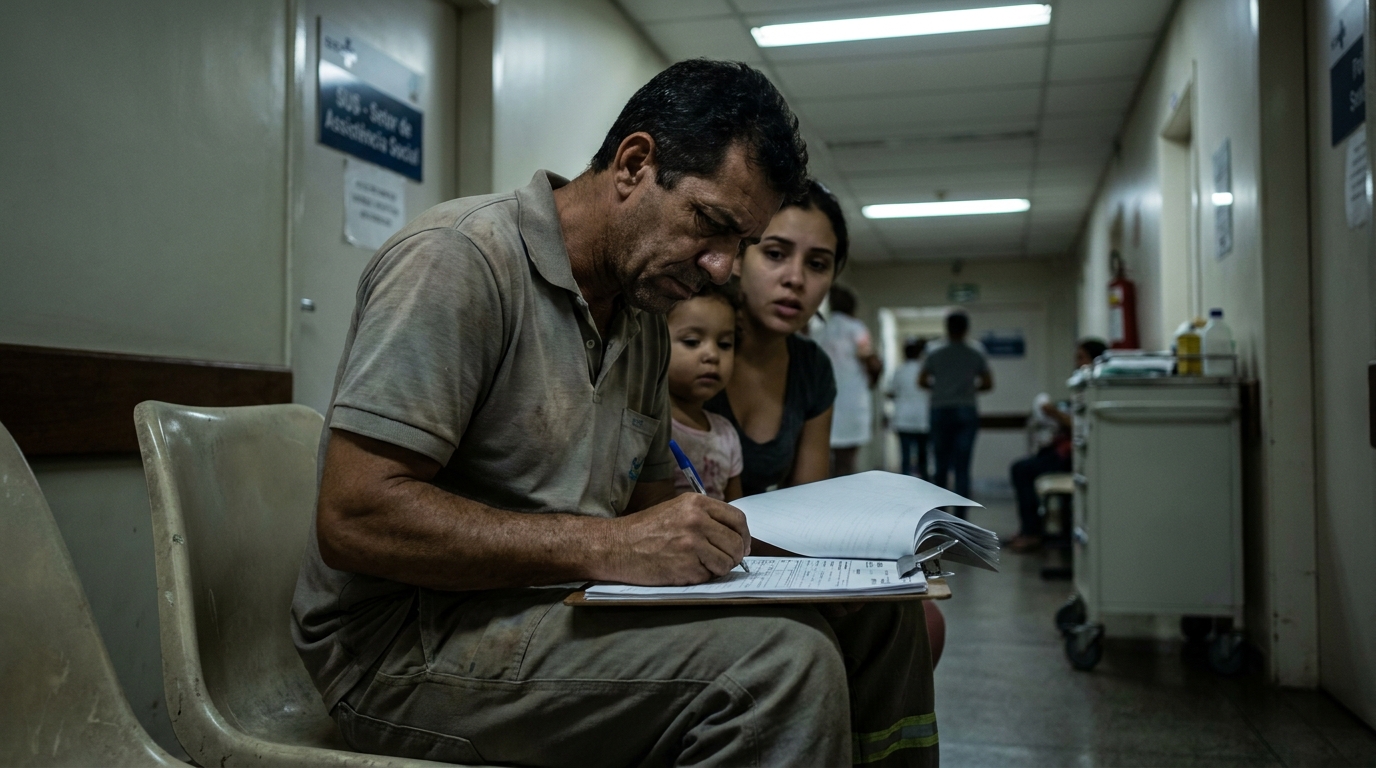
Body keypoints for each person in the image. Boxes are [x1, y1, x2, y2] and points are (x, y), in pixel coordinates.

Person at [292, 59, 938, 767]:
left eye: (741, 247)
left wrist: (816, 566)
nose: (723, 268)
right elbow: (354, 518)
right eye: (711, 225)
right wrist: (605, 547)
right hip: (402, 650)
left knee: (882, 617)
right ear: (634, 163)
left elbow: (653, 509)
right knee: (779, 664)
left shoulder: (643, 317)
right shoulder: (460, 261)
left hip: (556, 605)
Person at [708, 179, 946, 673]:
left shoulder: (811, 366)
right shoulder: (691, 346)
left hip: (762, 554)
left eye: (817, 265)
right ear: (737, 257)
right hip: (699, 556)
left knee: (922, 620)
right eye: (775, 254)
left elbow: (805, 506)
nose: (795, 278)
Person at [1007, 338, 1107, 552]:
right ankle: (1028, 529)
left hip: (1071, 457)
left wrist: (1054, 413)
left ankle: (1032, 532)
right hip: (1063, 450)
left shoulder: (1097, 389)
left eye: (1081, 357)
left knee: (1023, 470)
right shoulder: (1082, 386)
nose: (1076, 363)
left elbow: (1082, 426)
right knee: (1022, 467)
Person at [667, 285, 743, 502]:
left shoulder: (726, 435)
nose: (712, 355)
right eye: (692, 342)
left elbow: (738, 509)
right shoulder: (648, 430)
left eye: (724, 344)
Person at [920, 311, 992, 505]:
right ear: (966, 328)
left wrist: (941, 389)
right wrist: (967, 388)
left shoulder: (933, 350)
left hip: (940, 409)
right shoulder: (976, 351)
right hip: (966, 410)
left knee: (941, 465)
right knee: (963, 466)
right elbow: (987, 383)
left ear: (946, 327)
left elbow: (922, 381)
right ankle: (962, 516)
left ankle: (942, 515)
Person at [815, 284, 882, 475]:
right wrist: (873, 380)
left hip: (824, 403)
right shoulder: (856, 329)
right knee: (846, 464)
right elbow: (872, 363)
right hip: (852, 402)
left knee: (822, 463)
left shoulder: (820, 330)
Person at [888, 337, 931, 479]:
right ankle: (925, 486)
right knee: (923, 457)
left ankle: (906, 488)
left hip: (903, 419)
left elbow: (891, 393)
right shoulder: (925, 372)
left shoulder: (899, 371)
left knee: (905, 457)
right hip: (922, 419)